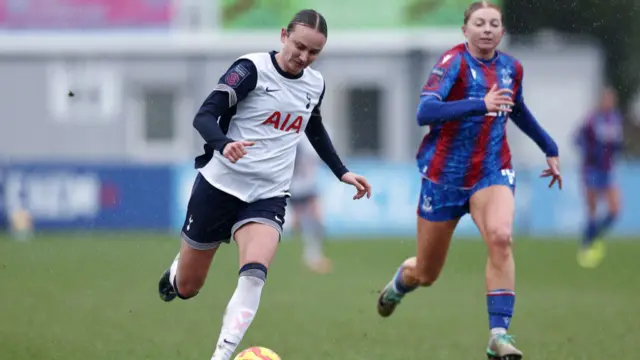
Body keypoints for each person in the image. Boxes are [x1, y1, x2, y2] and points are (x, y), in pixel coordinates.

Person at [156, 9, 372, 360]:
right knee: (189, 287)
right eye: (299, 46)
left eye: (314, 52)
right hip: (219, 187)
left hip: (268, 195)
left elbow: (312, 127)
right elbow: (204, 116)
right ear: (283, 35)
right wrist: (224, 144)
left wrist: (341, 171)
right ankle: (178, 270)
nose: (304, 57)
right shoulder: (251, 69)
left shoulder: (314, 83)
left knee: (254, 275)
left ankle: (221, 355)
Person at [375, 2, 561, 359]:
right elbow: (424, 112)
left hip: (491, 171)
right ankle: (401, 282)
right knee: (427, 272)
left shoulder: (511, 68)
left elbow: (516, 109)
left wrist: (549, 147)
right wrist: (480, 103)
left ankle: (499, 335)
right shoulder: (453, 63)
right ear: (465, 30)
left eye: (494, 23)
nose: (487, 29)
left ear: (502, 31)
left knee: (501, 237)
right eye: (479, 23)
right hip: (443, 178)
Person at [574, 86, 623, 268]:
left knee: (615, 210)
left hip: (608, 169)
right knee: (592, 210)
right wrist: (590, 151)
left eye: (612, 99)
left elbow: (616, 144)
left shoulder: (616, 120)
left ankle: (593, 236)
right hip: (592, 169)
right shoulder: (592, 120)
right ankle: (587, 244)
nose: (609, 103)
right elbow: (577, 138)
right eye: (606, 99)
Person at [288, 136, 333, 273]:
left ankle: (313, 256)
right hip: (298, 187)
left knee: (315, 221)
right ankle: (312, 257)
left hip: (308, 186)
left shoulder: (308, 135)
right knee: (311, 220)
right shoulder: (297, 138)